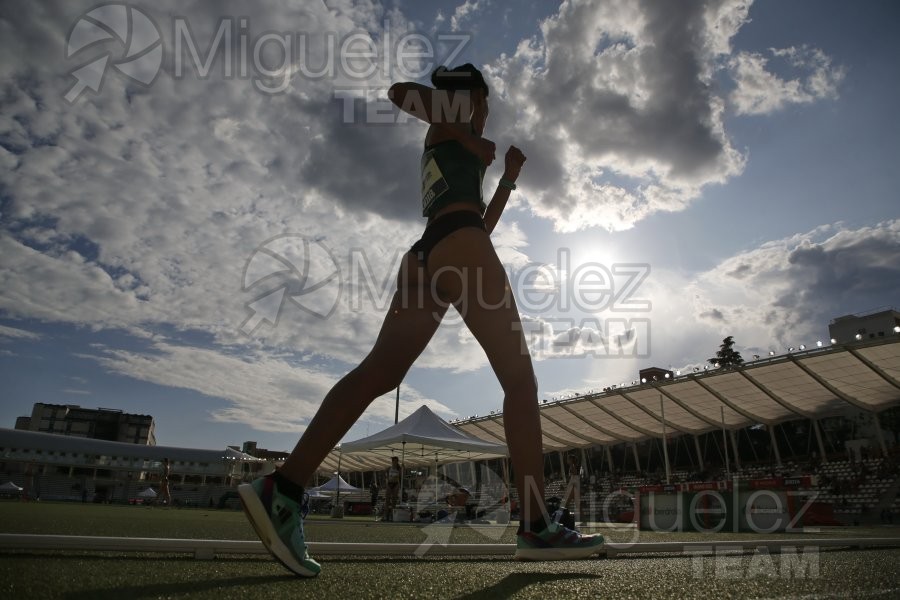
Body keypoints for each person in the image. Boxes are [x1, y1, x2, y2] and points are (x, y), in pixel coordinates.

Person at [238, 63, 604, 577]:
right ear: (473, 96)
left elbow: (480, 221)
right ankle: (538, 525)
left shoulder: (459, 145)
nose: (488, 113)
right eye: (487, 102)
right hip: (458, 246)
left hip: (428, 254)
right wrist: (464, 131)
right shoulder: (452, 118)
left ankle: (285, 486)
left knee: (379, 374)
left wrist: (507, 181)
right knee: (520, 381)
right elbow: (399, 93)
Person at [384, 456, 402, 521]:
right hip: (389, 483)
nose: (394, 462)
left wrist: (403, 468)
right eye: (393, 461)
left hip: (396, 484)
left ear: (397, 462)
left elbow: (402, 476)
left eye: (396, 461)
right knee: (387, 500)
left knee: (394, 500)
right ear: (392, 462)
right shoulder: (389, 468)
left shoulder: (399, 469)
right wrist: (386, 480)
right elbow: (385, 474)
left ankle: (392, 515)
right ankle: (386, 515)